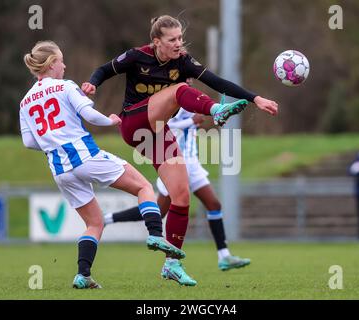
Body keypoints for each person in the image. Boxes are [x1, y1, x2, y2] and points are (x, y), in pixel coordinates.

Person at [82, 15, 278, 286]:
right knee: (179, 90)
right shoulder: (137, 56)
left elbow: (217, 81)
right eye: (172, 40)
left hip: (158, 134)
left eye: (180, 38)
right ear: (156, 42)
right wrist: (93, 82)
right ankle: (216, 110)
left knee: (181, 195)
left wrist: (255, 98)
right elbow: (105, 70)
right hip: (133, 122)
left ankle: (171, 265)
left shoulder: (182, 60)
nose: (178, 44)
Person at [20, 40, 186, 289]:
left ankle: (83, 275)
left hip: (60, 170)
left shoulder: (25, 101)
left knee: (94, 223)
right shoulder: (65, 87)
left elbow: (29, 141)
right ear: (52, 63)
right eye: (61, 60)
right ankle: (154, 235)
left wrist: (52, 141)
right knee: (143, 188)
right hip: (86, 157)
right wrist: (110, 121)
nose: (64, 65)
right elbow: (89, 115)